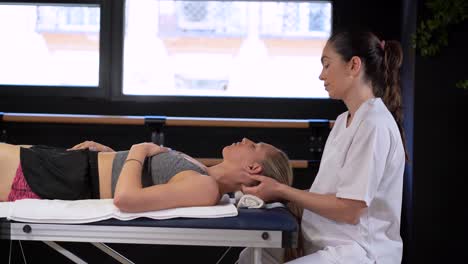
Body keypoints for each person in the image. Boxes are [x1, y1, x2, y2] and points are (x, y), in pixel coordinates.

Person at [238, 30, 407, 264]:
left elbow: (350, 209)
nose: (321, 75)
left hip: (358, 252)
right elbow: (328, 195)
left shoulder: (373, 125)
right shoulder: (343, 122)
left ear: (353, 65)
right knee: (250, 256)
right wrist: (273, 195)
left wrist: (281, 190)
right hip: (324, 244)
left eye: (327, 65)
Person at [0, 138, 293, 213]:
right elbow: (139, 178)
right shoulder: (201, 172)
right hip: (69, 167)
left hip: (60, 179)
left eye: (252, 146)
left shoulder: (205, 188)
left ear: (253, 169)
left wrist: (137, 150)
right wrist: (113, 155)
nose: (244, 140)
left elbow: (126, 198)